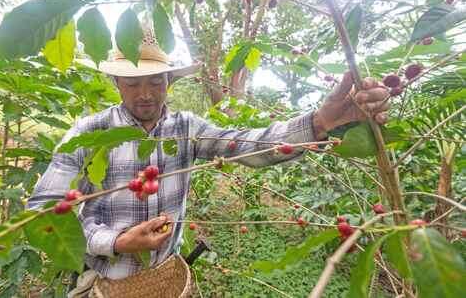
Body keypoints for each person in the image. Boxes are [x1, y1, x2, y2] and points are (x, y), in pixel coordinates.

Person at [28, 27, 389, 292]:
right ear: (116, 84)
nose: (145, 94)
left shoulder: (186, 129)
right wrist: (114, 241)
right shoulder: (89, 133)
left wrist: (319, 122)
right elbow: (43, 210)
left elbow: (250, 145)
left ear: (168, 81)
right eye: (133, 83)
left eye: (155, 81)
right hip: (108, 283)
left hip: (166, 280)